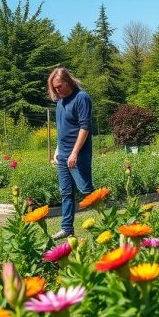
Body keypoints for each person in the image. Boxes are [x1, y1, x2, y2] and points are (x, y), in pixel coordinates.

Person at [48, 67, 93, 239]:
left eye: (59, 86)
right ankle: (67, 228)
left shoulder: (82, 98)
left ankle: (108, 219)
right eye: (54, 88)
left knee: (86, 189)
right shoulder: (60, 102)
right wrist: (58, 151)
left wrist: (74, 153)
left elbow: (85, 127)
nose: (57, 90)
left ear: (68, 82)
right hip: (63, 155)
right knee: (65, 192)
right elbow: (62, 130)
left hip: (78, 154)